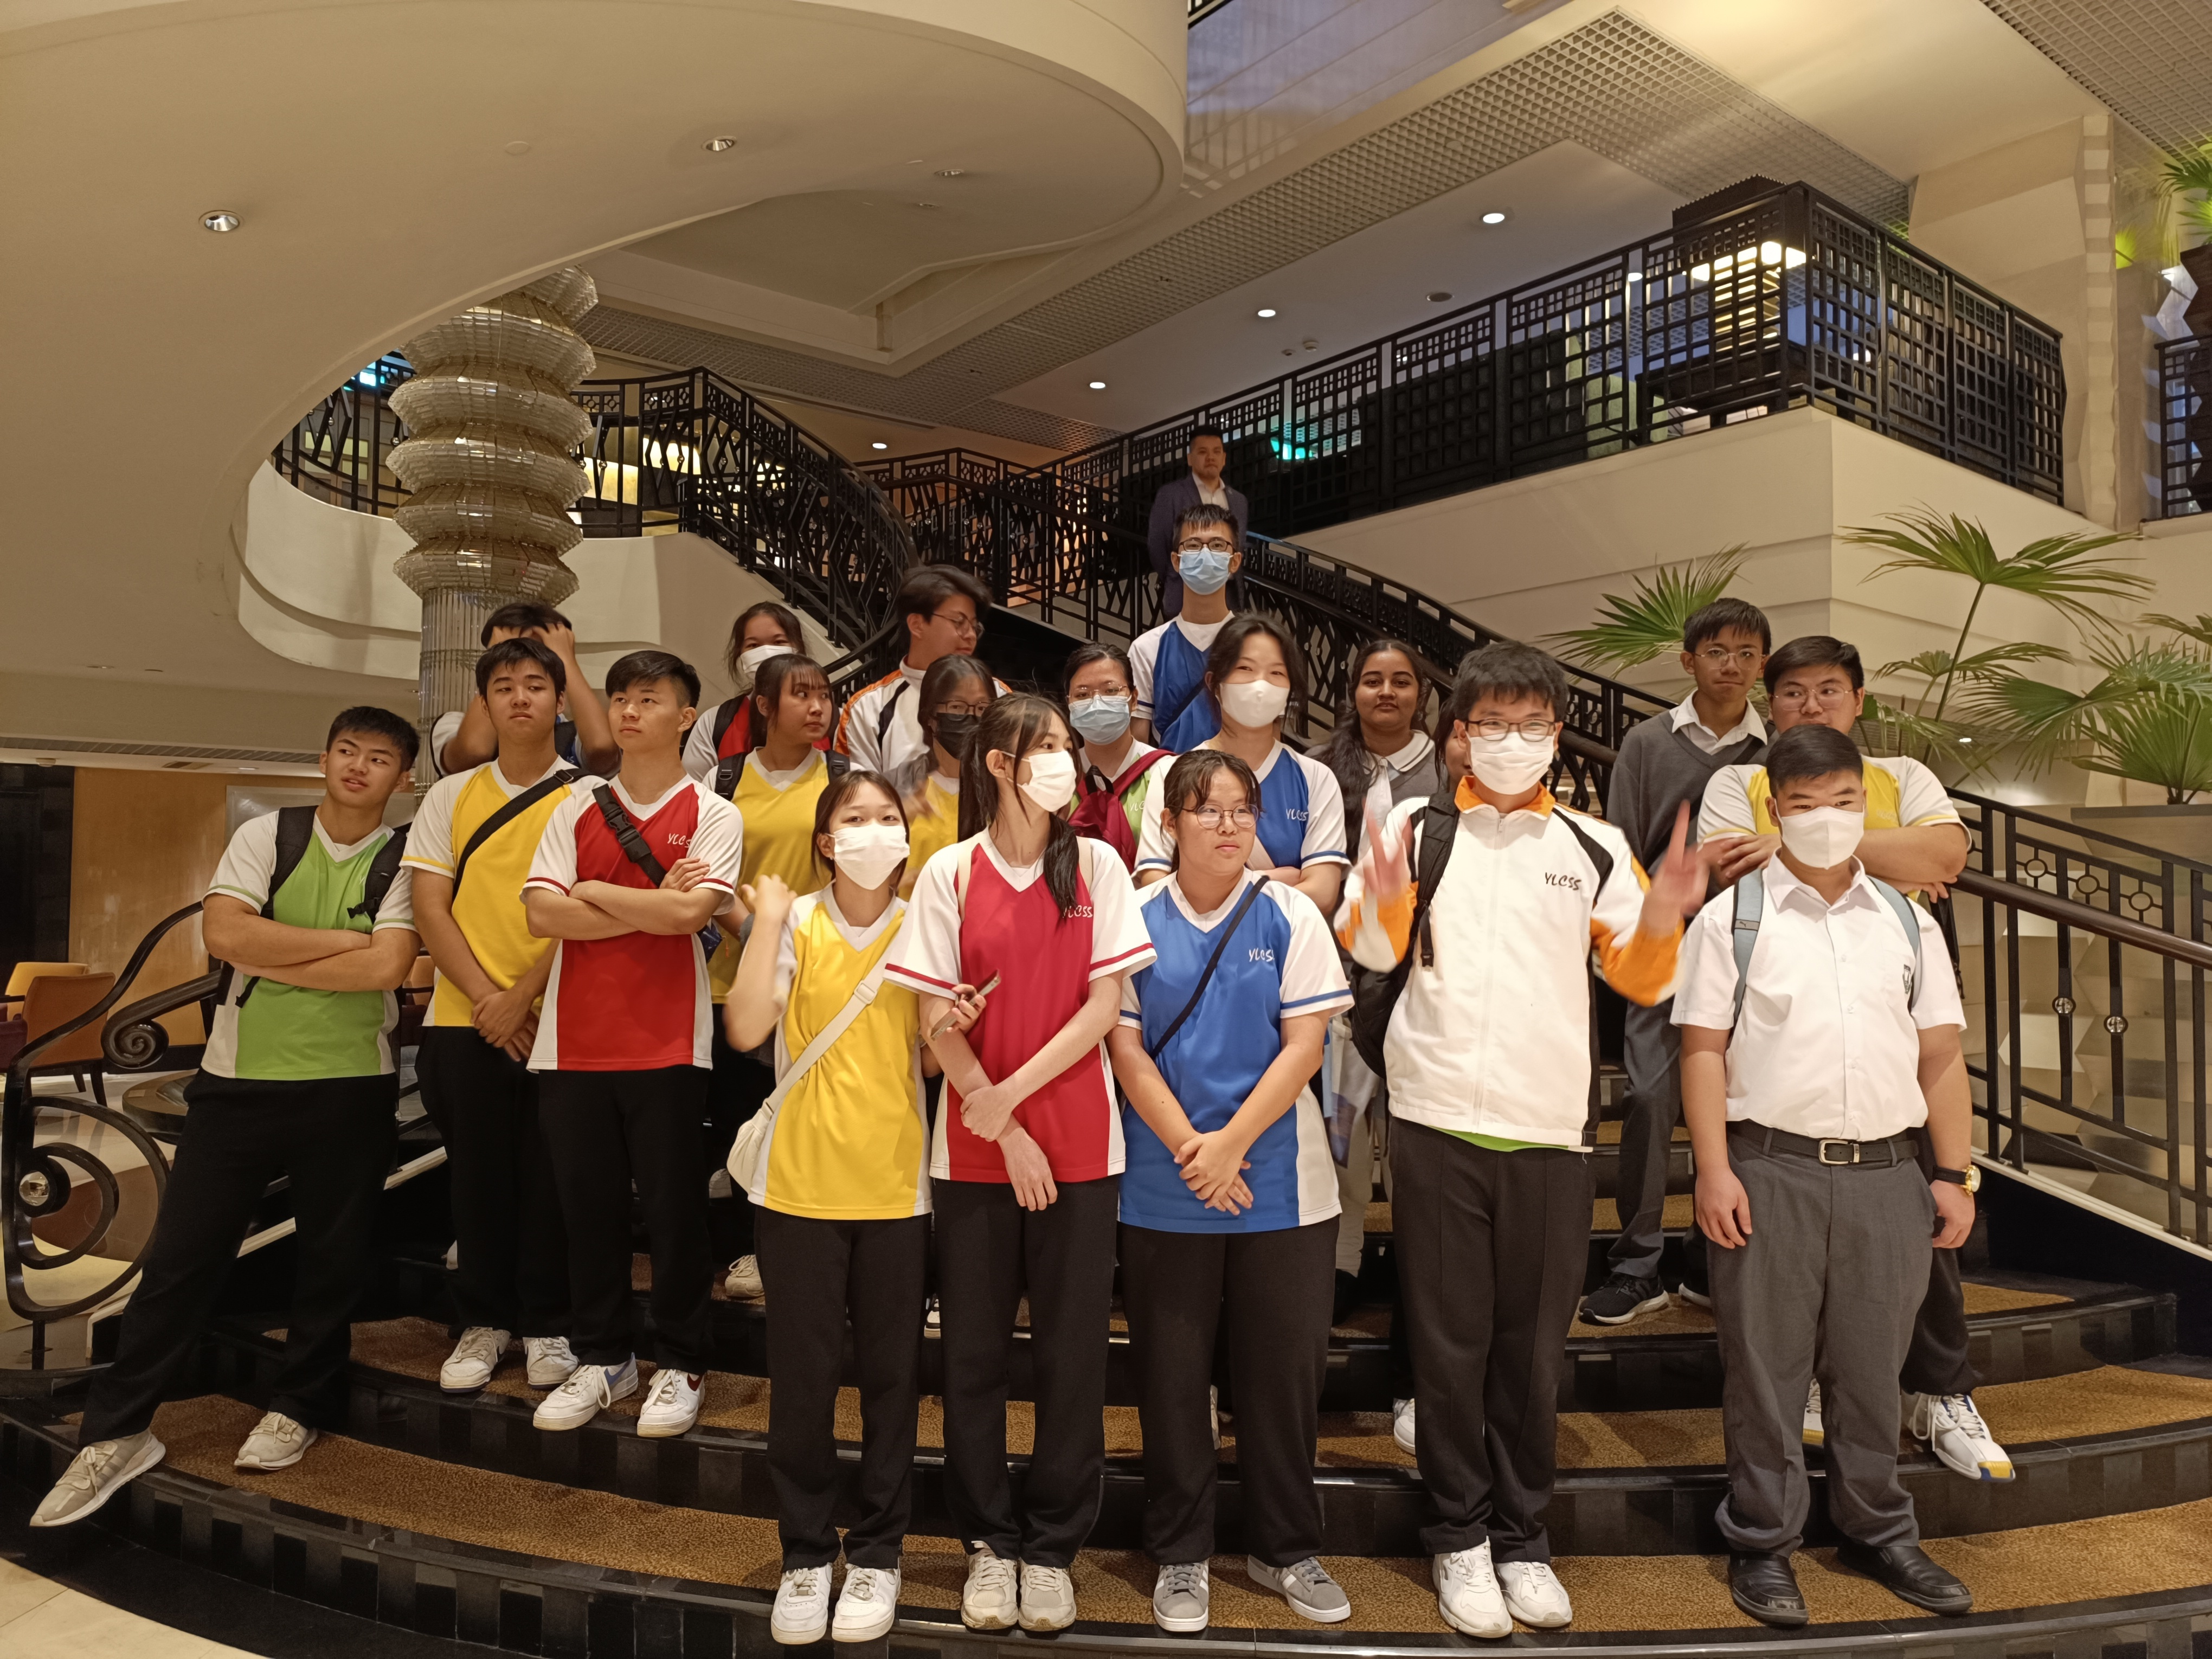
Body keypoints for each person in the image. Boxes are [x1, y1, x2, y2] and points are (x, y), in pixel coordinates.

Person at [1336, 642, 1709, 1637]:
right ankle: (1459, 1537)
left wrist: (1664, 912)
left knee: (1533, 1353)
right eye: (1493, 724)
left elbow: (1642, 977)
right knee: (1449, 1346)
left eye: (1532, 724)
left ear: (1556, 735)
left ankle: (1522, 1536)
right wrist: (1380, 888)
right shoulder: (1415, 827)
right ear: (1460, 734)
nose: (1513, 740)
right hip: (1435, 1120)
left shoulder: (1591, 844)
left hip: (1549, 1130)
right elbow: (1369, 947)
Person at [32, 709, 424, 1526]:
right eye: (347, 751)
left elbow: (388, 966)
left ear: (404, 778)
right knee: (182, 1258)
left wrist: (276, 946)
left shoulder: (403, 855)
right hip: (237, 1081)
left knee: (332, 1260)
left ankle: (300, 1406)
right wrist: (343, 945)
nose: (358, 767)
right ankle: (118, 1432)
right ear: (324, 758)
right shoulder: (268, 835)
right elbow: (223, 934)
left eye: (379, 758)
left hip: (351, 1084)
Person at [1676, 723, 1977, 1628]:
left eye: (1844, 802)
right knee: (1766, 1370)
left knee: (1873, 1367)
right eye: (1805, 805)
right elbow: (1702, 1050)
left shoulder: (1906, 919)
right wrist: (1713, 1169)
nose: (1827, 819)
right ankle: (1764, 1538)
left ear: (1863, 804)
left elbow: (1941, 1057)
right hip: (1771, 1168)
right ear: (1775, 808)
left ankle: (1878, 1528)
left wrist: (1954, 1173)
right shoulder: (1734, 918)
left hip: (1889, 1173)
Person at [1695, 636, 2003, 1480]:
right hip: (1782, 1035)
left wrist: (1811, 844)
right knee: (1791, 1270)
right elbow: (1729, 868)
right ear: (1771, 707)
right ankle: (1804, 1404)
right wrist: (1878, 848)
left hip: (1889, 1008)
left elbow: (1945, 857)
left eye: (1828, 690)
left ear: (1858, 700)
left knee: (1922, 1220)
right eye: (1792, 693)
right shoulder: (1738, 783)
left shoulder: (1904, 774)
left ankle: (1939, 1391)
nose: (1811, 705)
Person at [884, 694, 1155, 1635]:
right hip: (973, 1153)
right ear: (998, 764)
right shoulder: (950, 871)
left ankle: (1051, 1550)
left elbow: (1102, 1009)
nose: (1062, 763)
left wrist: (1013, 1102)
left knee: (1073, 1356)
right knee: (973, 1356)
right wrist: (999, 1124)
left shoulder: (1099, 863)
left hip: (1077, 1143)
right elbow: (934, 1018)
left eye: (1065, 748)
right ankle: (989, 1545)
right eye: (1043, 748)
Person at [724, 771, 980, 1647]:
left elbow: (931, 1060)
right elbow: (747, 1028)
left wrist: (956, 1021)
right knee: (801, 1384)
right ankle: (805, 1554)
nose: (875, 831)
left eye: (888, 818)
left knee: (891, 1383)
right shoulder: (795, 919)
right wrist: (764, 922)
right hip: (799, 1188)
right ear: (827, 841)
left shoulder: (925, 926)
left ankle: (876, 1552)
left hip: (896, 1190)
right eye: (855, 818)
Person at [1109, 750, 1355, 1635]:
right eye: (1207, 809)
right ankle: (1181, 1550)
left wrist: (1231, 1148)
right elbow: (1125, 1048)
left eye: (1242, 809)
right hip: (1163, 1184)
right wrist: (1195, 1151)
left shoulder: (1291, 913)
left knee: (1282, 1380)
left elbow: (1305, 1046)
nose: (1228, 824)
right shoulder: (1133, 919)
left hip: (1282, 1187)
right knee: (1173, 1379)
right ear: (1169, 823)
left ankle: (1285, 1546)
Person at [521, 650, 742, 1440]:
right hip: (571, 1045)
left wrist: (594, 892)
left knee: (676, 1214)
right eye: (619, 698)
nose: (627, 711)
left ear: (686, 717)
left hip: (669, 1043)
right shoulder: (575, 806)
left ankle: (683, 1362)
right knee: (589, 1212)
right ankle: (604, 1356)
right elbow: (542, 915)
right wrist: (649, 902)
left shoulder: (713, 812)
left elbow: (691, 917)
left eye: (648, 699)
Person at [1579, 597, 1769, 1328]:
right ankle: (1636, 1264)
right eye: (1717, 651)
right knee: (1651, 1100)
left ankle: (1713, 1258)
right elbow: (1623, 851)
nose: (1732, 665)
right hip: (1663, 947)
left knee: (1742, 1101)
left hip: (1752, 951)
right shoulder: (1647, 743)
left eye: (1747, 653)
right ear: (1689, 661)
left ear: (1762, 664)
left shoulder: (1777, 748)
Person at [404, 639, 582, 1395]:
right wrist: (488, 999)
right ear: (483, 704)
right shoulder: (450, 796)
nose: (519, 698)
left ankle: (548, 1322)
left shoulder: (590, 797)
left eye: (535, 685)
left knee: (552, 1180)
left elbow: (589, 912)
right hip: (462, 1019)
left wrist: (524, 997)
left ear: (560, 702)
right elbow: (430, 907)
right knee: (476, 1178)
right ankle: (483, 1320)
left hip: (559, 1017)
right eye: (503, 687)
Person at [706, 653, 845, 1304]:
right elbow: (710, 881)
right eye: (801, 696)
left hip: (821, 981)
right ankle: (750, 1250)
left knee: (812, 1120)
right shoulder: (724, 780)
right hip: (735, 981)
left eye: (824, 696)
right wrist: (763, 936)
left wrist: (797, 946)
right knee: (745, 1121)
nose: (818, 708)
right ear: (763, 706)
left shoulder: (843, 778)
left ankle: (818, 1249)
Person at [1314, 639, 1444, 1323]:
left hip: (1423, 976)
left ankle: (1419, 1269)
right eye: (1372, 680)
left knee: (1413, 1129)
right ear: (1353, 691)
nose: (1386, 692)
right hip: (1338, 971)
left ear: (1421, 693)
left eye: (1401, 681)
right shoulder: (1321, 767)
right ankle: (1342, 1261)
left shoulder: (1446, 768)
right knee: (1342, 1129)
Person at [1135, 615, 1348, 920]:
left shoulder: (1315, 778)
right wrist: (1270, 882)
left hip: (1284, 946)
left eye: (1277, 673)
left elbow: (1322, 894)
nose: (1261, 684)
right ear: (1214, 683)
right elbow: (1155, 884)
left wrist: (1210, 891)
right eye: (1245, 669)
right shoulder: (1171, 773)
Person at [835, 566, 1006, 777]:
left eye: (974, 626)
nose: (970, 635)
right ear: (917, 624)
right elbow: (854, 791)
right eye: (959, 622)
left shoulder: (1000, 696)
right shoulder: (868, 707)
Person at [432, 602, 618, 780]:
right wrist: (498, 657)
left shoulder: (575, 734)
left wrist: (566, 660)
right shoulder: (451, 725)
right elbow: (474, 752)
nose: (520, 698)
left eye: (539, 657)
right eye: (511, 655)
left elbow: (602, 750)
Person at [1130, 504, 1241, 748]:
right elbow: (1138, 749)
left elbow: (1270, 737)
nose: (1205, 553)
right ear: (1176, 561)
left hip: (1242, 773)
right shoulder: (1146, 649)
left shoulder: (1254, 645)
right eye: (1193, 545)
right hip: (1172, 773)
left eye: (1217, 545)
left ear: (1234, 561)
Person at [891, 653, 997, 898]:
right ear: (931, 717)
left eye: (982, 708)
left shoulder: (1004, 790)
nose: (971, 717)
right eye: (957, 707)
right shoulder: (894, 788)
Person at [1064, 641, 1176, 871]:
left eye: (1111, 691)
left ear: (1134, 699)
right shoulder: (1057, 773)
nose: (1096, 703)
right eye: (1082, 694)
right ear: (1069, 704)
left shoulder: (1167, 772)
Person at [684, 600, 817, 781]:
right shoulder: (715, 722)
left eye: (779, 642)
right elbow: (695, 790)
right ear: (740, 654)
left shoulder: (831, 720)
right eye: (754, 646)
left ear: (798, 649)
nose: (766, 653)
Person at [1146, 427, 1248, 619]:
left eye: (1216, 452)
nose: (1211, 457)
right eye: (1202, 452)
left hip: (1229, 597)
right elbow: (1158, 545)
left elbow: (1238, 544)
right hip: (1185, 594)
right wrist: (1175, 574)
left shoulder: (1239, 501)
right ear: (1190, 459)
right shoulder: (1171, 495)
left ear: (1224, 458)